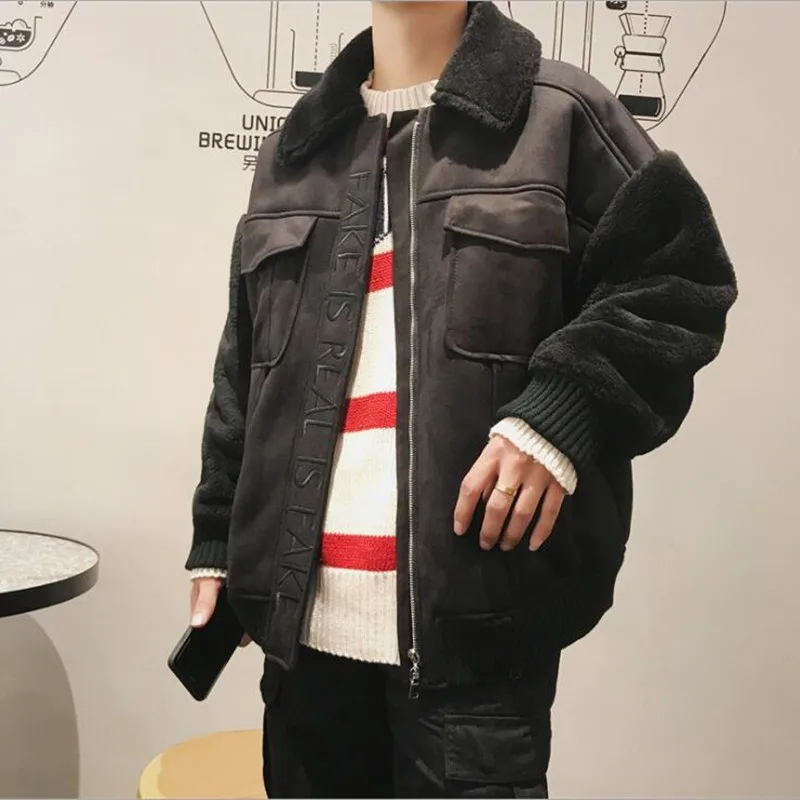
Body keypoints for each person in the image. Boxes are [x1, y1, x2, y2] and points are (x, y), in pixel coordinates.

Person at [185, 1, 737, 797]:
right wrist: (216, 537)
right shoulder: (294, 151)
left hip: (476, 652)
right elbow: (245, 363)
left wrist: (558, 418)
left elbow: (678, 280)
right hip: (301, 647)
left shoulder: (560, 116)